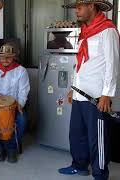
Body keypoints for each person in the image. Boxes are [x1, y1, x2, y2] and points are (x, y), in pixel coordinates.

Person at [59, 1, 119, 180]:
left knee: (97, 138)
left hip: (96, 96)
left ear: (92, 6)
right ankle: (79, 166)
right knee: (76, 134)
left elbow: (113, 64)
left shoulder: (108, 30)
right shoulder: (85, 32)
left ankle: (101, 174)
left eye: (79, 7)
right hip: (79, 93)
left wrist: (107, 94)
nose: (76, 11)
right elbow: (80, 64)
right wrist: (73, 88)